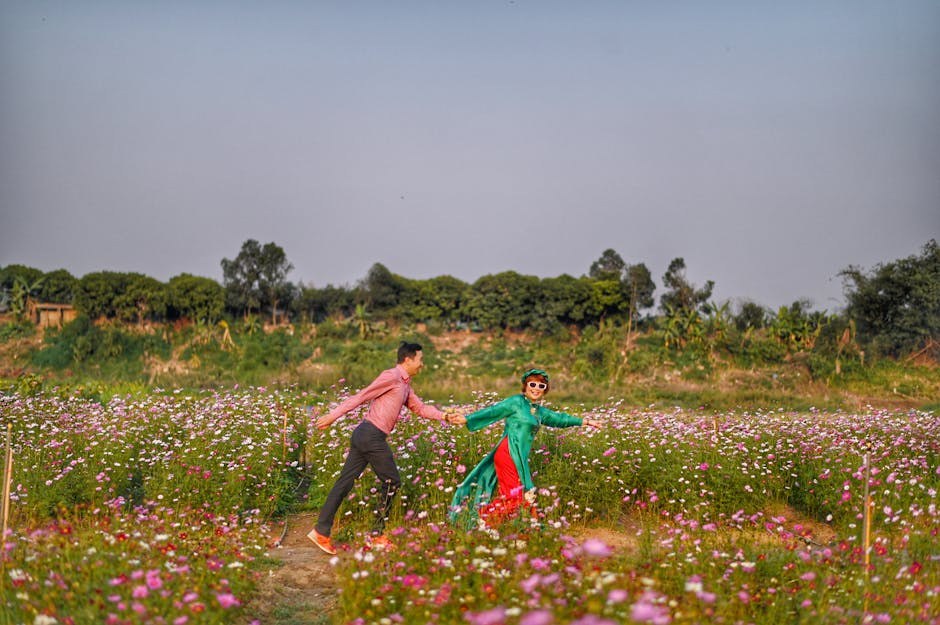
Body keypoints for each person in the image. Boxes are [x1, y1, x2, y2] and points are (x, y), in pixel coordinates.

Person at [308, 341, 459, 554]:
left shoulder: (405, 385)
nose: (421, 364)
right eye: (420, 360)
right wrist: (332, 416)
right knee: (392, 481)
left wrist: (444, 416)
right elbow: (362, 396)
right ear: (408, 360)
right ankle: (376, 535)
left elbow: (420, 408)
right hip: (371, 436)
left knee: (345, 483)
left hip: (366, 436)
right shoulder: (391, 376)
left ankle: (320, 532)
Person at [448, 368, 601, 529]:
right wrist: (466, 419)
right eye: (532, 384)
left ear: (545, 390)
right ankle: (482, 519)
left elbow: (560, 419)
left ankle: (524, 528)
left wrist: (586, 422)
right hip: (508, 452)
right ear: (525, 386)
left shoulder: (539, 412)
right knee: (514, 495)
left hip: (520, 457)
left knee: (523, 493)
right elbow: (493, 411)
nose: (536, 388)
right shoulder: (516, 402)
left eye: (541, 386)